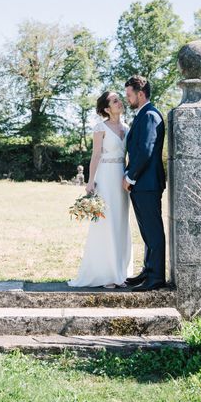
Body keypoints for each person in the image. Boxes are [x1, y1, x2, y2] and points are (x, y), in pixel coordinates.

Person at [68, 91, 133, 288]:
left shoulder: (127, 128)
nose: (119, 102)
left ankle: (121, 272)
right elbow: (95, 156)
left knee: (121, 222)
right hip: (105, 177)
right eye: (114, 101)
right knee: (106, 223)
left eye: (119, 99)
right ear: (106, 108)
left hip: (122, 179)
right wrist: (90, 182)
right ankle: (106, 273)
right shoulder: (100, 128)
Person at [122, 75, 167, 292]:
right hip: (143, 184)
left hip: (147, 183)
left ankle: (156, 277)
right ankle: (148, 270)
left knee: (153, 230)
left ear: (141, 94)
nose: (127, 99)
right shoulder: (142, 114)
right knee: (147, 231)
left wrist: (130, 177)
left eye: (129, 95)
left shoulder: (150, 115)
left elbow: (146, 150)